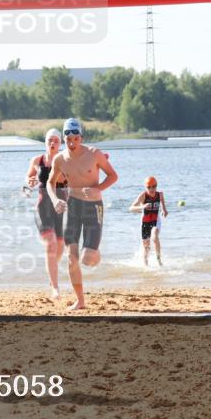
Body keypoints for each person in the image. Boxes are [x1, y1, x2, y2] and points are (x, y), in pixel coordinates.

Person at [47, 118, 118, 311]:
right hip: (73, 207)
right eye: (68, 138)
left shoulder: (94, 154)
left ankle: (95, 252)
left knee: (88, 259)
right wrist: (55, 200)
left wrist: (99, 189)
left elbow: (113, 176)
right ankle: (80, 300)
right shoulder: (60, 159)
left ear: (81, 137)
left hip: (93, 207)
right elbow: (50, 182)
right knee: (72, 257)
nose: (72, 142)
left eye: (76, 138)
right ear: (64, 138)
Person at [26, 128, 68, 299]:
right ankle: (55, 288)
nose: (52, 143)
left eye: (56, 141)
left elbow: (75, 178)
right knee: (50, 244)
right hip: (43, 206)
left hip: (61, 207)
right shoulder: (37, 160)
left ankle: (52, 274)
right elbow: (28, 178)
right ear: (45, 142)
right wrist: (30, 181)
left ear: (60, 143)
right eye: (50, 140)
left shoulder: (66, 160)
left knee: (60, 246)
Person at [129, 176, 167, 265]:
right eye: (149, 187)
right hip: (145, 222)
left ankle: (159, 260)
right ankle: (146, 265)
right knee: (146, 247)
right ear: (146, 187)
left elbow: (162, 203)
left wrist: (164, 210)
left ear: (156, 186)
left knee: (154, 236)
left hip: (155, 220)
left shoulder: (160, 194)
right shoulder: (143, 195)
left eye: (154, 186)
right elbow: (131, 208)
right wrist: (143, 206)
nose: (151, 189)